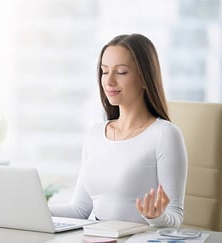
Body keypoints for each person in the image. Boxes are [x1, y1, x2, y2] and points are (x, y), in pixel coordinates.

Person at [49, 34, 188, 228]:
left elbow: (175, 216)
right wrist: (34, 210)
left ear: (145, 78)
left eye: (121, 72)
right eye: (104, 72)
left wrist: (156, 217)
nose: (109, 81)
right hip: (98, 237)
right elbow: (79, 210)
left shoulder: (164, 135)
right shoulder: (95, 134)